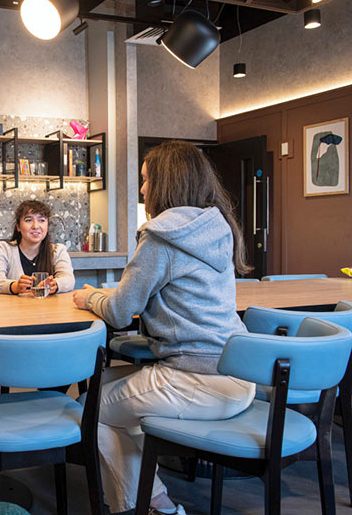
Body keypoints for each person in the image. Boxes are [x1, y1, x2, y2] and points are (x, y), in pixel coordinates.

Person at [72, 141, 256, 515]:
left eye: (145, 180)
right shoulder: (216, 226)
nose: (141, 190)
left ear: (165, 182)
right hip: (241, 373)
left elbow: (121, 312)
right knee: (104, 385)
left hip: (197, 381)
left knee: (85, 409)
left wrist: (88, 297)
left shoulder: (159, 236)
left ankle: (155, 506)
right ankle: (144, 484)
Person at [0, 199, 74, 295]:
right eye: (28, 220)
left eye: (41, 220)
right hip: (13, 308)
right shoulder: (3, 249)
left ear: (48, 225)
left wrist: (55, 285)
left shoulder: (58, 250)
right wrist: (15, 286)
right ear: (18, 227)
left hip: (48, 308)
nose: (36, 226)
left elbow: (69, 279)